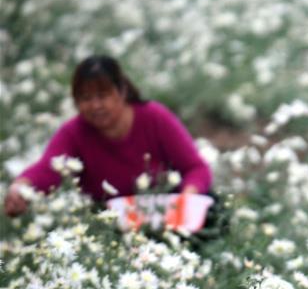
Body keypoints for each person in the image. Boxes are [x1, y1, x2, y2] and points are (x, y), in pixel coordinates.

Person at [4, 55, 212, 216]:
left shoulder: (153, 117)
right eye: (85, 98)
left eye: (103, 96)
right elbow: (49, 169)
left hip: (168, 213)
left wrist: (186, 200)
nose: (95, 106)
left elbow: (196, 168)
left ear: (121, 92)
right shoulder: (74, 133)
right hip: (113, 222)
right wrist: (20, 189)